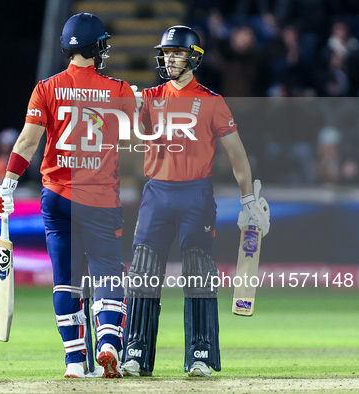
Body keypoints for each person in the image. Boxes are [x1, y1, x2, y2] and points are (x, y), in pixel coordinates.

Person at [0, 12, 136, 379]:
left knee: (66, 281)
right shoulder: (117, 90)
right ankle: (107, 343)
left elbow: (27, 142)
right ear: (93, 47)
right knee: (107, 277)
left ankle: (74, 362)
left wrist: (7, 184)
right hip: (99, 198)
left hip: (57, 197)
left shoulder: (46, 88)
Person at [121, 26, 270, 378]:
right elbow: (124, 136)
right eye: (166, 53)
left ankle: (200, 353)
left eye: (177, 53)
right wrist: (133, 108)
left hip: (196, 195)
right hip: (155, 193)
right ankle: (135, 354)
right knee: (142, 273)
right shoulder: (151, 96)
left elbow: (237, 154)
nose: (170, 58)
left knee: (199, 275)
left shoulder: (212, 101)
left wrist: (248, 198)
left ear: (193, 57)